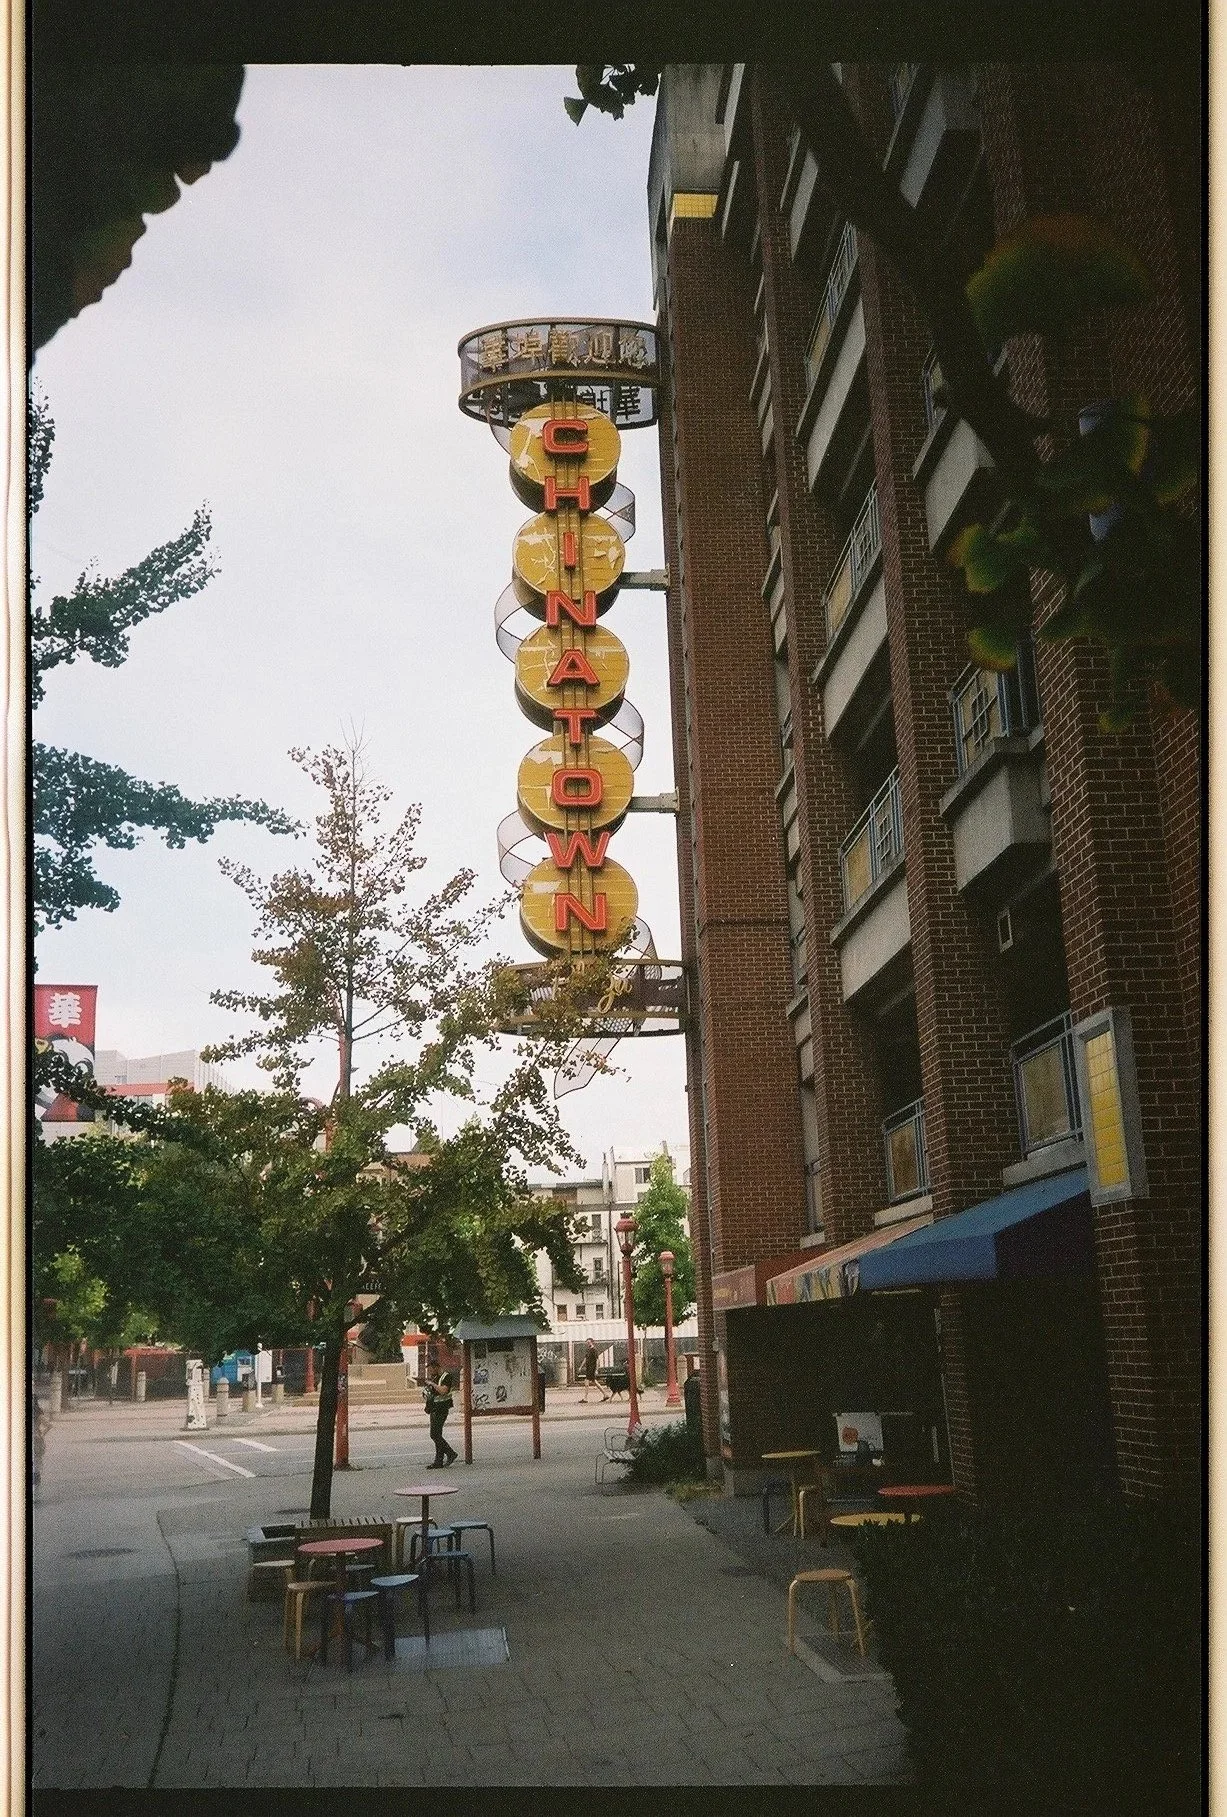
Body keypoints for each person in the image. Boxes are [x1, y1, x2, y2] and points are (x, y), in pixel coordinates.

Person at [423, 1370, 457, 1467]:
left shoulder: (446, 1377)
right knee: (437, 1435)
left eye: (431, 1368)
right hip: (434, 1409)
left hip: (441, 1409)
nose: (429, 1371)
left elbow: (443, 1391)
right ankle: (438, 1461)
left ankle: (451, 1453)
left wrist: (432, 1384)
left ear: (437, 1367)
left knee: (434, 1435)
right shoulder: (435, 1377)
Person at [581, 1339, 610, 1403]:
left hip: (592, 1368)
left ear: (592, 1342)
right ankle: (605, 1394)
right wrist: (581, 1366)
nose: (588, 1344)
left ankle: (585, 1398)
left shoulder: (594, 1350)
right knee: (594, 1382)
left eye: (589, 1342)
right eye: (587, 1343)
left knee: (587, 1382)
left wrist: (596, 1369)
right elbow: (585, 1359)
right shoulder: (588, 1350)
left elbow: (597, 1360)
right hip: (588, 1368)